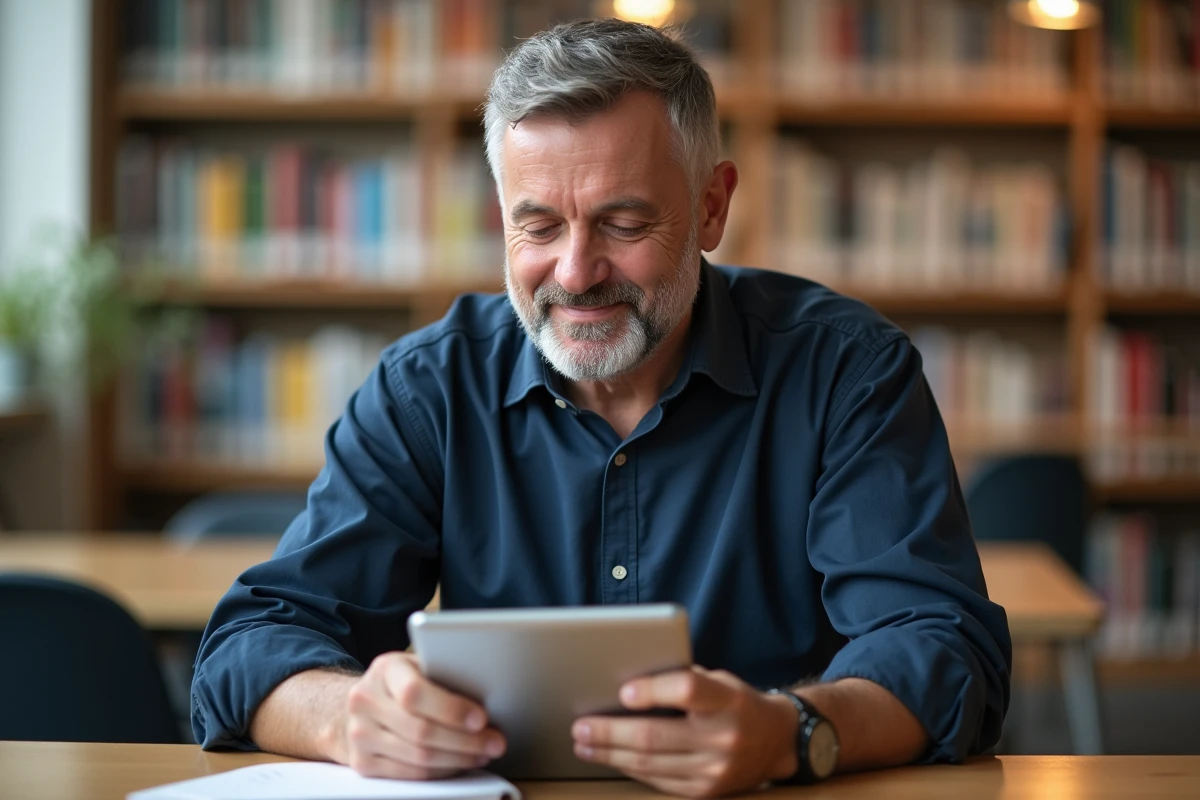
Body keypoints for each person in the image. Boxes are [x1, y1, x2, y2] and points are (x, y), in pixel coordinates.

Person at [193, 18, 1011, 798]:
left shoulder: (845, 373)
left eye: (623, 223)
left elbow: (943, 647)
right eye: (539, 225)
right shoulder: (429, 387)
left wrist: (789, 731)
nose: (576, 272)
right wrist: (347, 720)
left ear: (712, 208)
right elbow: (248, 647)